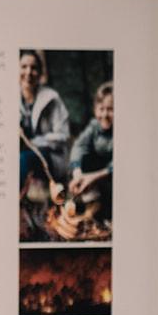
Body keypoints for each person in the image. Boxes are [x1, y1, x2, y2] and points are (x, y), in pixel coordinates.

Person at [19, 48, 70, 190]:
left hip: (51, 159)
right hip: (22, 157)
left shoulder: (51, 99)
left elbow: (63, 136)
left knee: (22, 159)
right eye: (24, 67)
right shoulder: (11, 99)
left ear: (40, 73)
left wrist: (35, 142)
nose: (28, 72)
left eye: (33, 68)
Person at [68, 80, 114, 219]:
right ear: (95, 110)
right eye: (101, 109)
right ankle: (90, 205)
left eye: (111, 109)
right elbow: (79, 146)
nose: (105, 115)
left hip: (111, 178)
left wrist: (93, 177)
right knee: (84, 158)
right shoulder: (94, 126)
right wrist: (77, 173)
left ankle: (103, 210)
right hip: (97, 179)